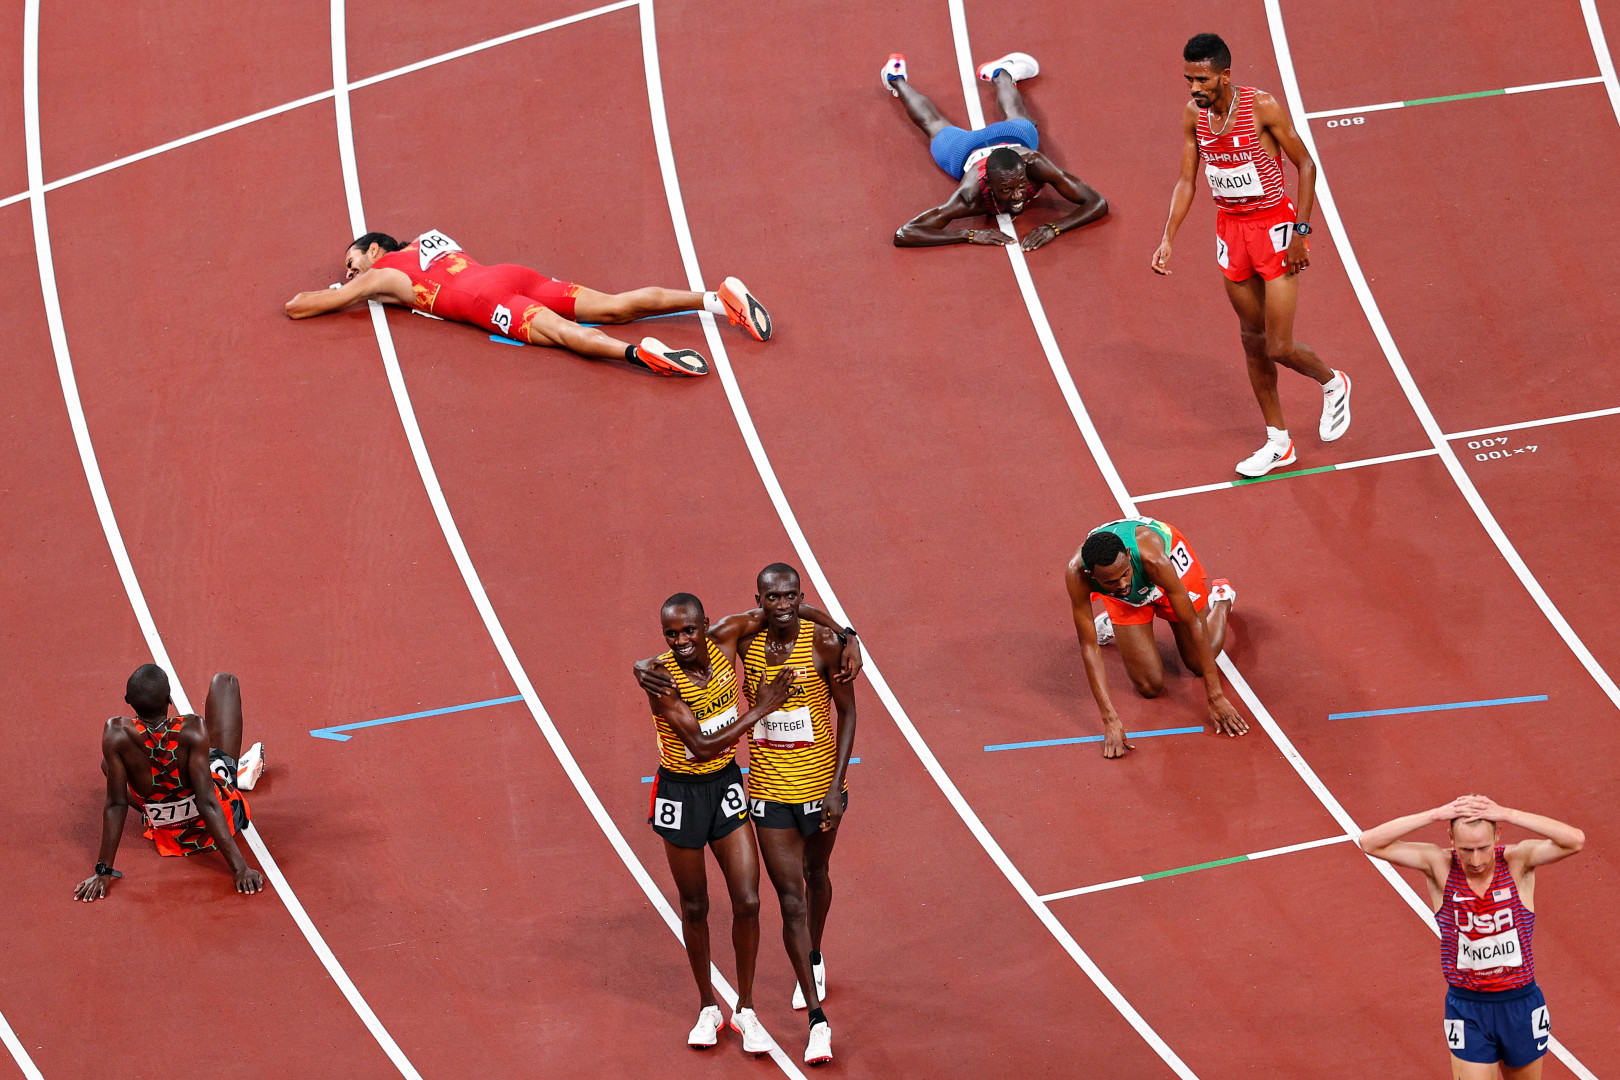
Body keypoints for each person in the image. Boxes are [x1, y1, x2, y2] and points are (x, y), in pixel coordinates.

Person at [637, 594, 858, 1064]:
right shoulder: (661, 680)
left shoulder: (726, 638)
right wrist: (762, 708)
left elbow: (792, 608)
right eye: (670, 635)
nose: (680, 641)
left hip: (725, 787)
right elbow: (699, 745)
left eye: (688, 630)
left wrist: (846, 633)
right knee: (695, 905)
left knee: (750, 901)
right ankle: (707, 1008)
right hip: (681, 791)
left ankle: (747, 1008)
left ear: (707, 626)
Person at [1151, 33, 1352, 477]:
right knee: (1251, 340)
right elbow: (1188, 181)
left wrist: (1301, 231)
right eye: (1188, 79)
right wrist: (1169, 237)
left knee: (1279, 345)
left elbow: (1305, 164)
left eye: (1201, 80)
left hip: (1275, 227)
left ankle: (1332, 382)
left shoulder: (1262, 107)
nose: (1193, 89)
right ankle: (1278, 442)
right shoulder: (1194, 115)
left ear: (1225, 75)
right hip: (1231, 230)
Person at [285, 230, 773, 377]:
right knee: (614, 303)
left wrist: (335, 292)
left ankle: (638, 355)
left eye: (352, 262)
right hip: (511, 273)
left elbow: (298, 308)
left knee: (563, 336)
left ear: (374, 249)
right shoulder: (425, 242)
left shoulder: (384, 273)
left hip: (484, 300)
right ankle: (716, 298)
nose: (350, 274)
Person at [1359, 795, 1585, 1080]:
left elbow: (1575, 840)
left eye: (1483, 848)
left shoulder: (1518, 861)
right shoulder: (1439, 865)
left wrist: (1508, 812)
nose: (1475, 860)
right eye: (1466, 849)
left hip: (1520, 1003)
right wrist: (1434, 813)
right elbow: (1370, 842)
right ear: (1450, 838)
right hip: (1467, 1008)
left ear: (1498, 836)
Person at [74, 666, 266, 901]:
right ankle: (237, 773)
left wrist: (103, 872)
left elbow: (116, 804)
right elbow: (207, 802)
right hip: (217, 820)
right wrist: (240, 868)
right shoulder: (192, 728)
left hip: (169, 834)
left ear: (128, 700)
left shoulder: (115, 734)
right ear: (169, 698)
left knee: (110, 764)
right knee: (224, 682)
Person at [882, 52, 1108, 249]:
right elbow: (904, 234)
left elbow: (1097, 202)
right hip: (963, 150)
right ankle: (895, 78)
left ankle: (1000, 72)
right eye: (1007, 190)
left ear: (1025, 170)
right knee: (930, 123)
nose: (1018, 195)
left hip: (1011, 137)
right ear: (988, 183)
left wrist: (1053, 228)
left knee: (1020, 116)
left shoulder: (1034, 163)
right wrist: (969, 234)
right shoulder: (969, 197)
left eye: (1020, 184)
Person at [1064, 518, 1246, 757]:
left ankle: (1222, 601)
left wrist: (1216, 696)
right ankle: (1113, 620)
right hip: (1128, 599)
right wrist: (1110, 721)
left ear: (1129, 556)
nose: (1122, 583)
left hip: (1167, 578)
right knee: (1149, 686)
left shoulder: (1154, 558)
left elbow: (1192, 623)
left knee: (1199, 662)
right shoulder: (1077, 574)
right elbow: (1088, 646)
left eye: (1125, 574)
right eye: (1110, 581)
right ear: (1091, 575)